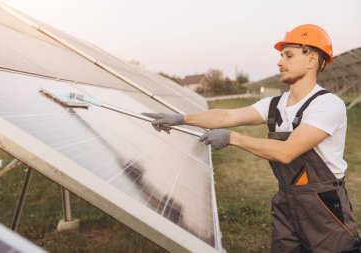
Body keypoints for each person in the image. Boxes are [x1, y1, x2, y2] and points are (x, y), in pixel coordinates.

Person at [143, 24, 361, 253]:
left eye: (288, 55)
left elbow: (286, 152)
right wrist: (181, 118)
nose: (280, 62)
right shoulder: (275, 105)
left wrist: (232, 138)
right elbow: (228, 115)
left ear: (312, 59)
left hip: (322, 204)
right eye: (280, 56)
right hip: (286, 201)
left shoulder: (327, 105)